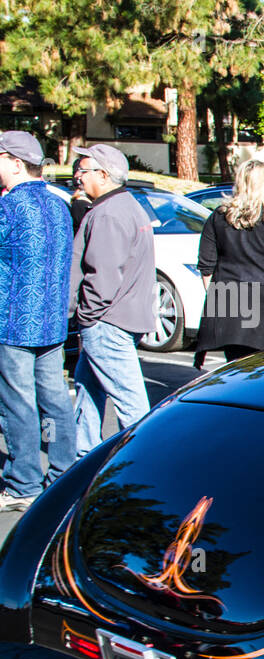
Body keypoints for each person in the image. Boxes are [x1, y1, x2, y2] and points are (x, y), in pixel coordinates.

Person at [0, 131, 76, 511]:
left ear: (15, 163)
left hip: (13, 320)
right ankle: (62, 473)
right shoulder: (58, 204)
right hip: (50, 319)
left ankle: (23, 482)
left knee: (18, 402)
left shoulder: (9, 207)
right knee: (55, 398)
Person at [68, 144, 155, 458]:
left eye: (83, 169)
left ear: (103, 175)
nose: (77, 175)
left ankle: (143, 462)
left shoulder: (109, 213)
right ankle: (85, 458)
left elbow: (103, 276)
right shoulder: (123, 205)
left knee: (131, 405)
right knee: (87, 390)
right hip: (112, 319)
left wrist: (86, 316)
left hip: (107, 322)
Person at [194, 159, 264, 368]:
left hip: (233, 295)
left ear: (239, 183)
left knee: (238, 368)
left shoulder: (218, 218)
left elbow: (206, 267)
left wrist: (218, 299)